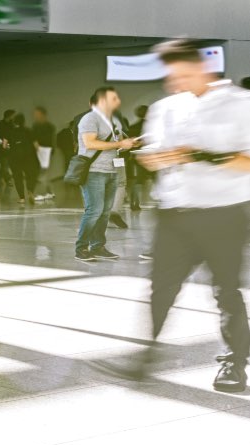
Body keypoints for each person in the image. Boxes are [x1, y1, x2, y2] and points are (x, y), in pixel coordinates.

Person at [98, 39, 250, 392]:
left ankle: (235, 364)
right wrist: (151, 157)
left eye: (182, 74)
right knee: (161, 289)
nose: (175, 82)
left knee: (225, 290)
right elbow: (152, 151)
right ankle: (145, 358)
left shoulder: (241, 104)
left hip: (223, 215)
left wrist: (198, 155)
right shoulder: (165, 108)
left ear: (204, 68)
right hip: (174, 214)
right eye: (171, 76)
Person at [73, 86, 137, 263]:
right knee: (94, 211)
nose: (117, 101)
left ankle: (98, 246)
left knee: (104, 213)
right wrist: (119, 145)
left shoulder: (113, 121)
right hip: (94, 171)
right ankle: (81, 248)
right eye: (112, 98)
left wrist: (132, 143)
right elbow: (90, 143)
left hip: (111, 171)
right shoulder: (89, 119)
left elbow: (119, 141)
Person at [31, 106, 58, 200]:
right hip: (40, 151)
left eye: (37, 114)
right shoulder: (35, 126)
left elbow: (51, 140)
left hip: (46, 151)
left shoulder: (49, 127)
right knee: (44, 172)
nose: (35, 116)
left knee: (43, 172)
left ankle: (43, 193)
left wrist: (51, 151)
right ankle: (49, 192)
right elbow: (34, 139)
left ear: (42, 114)